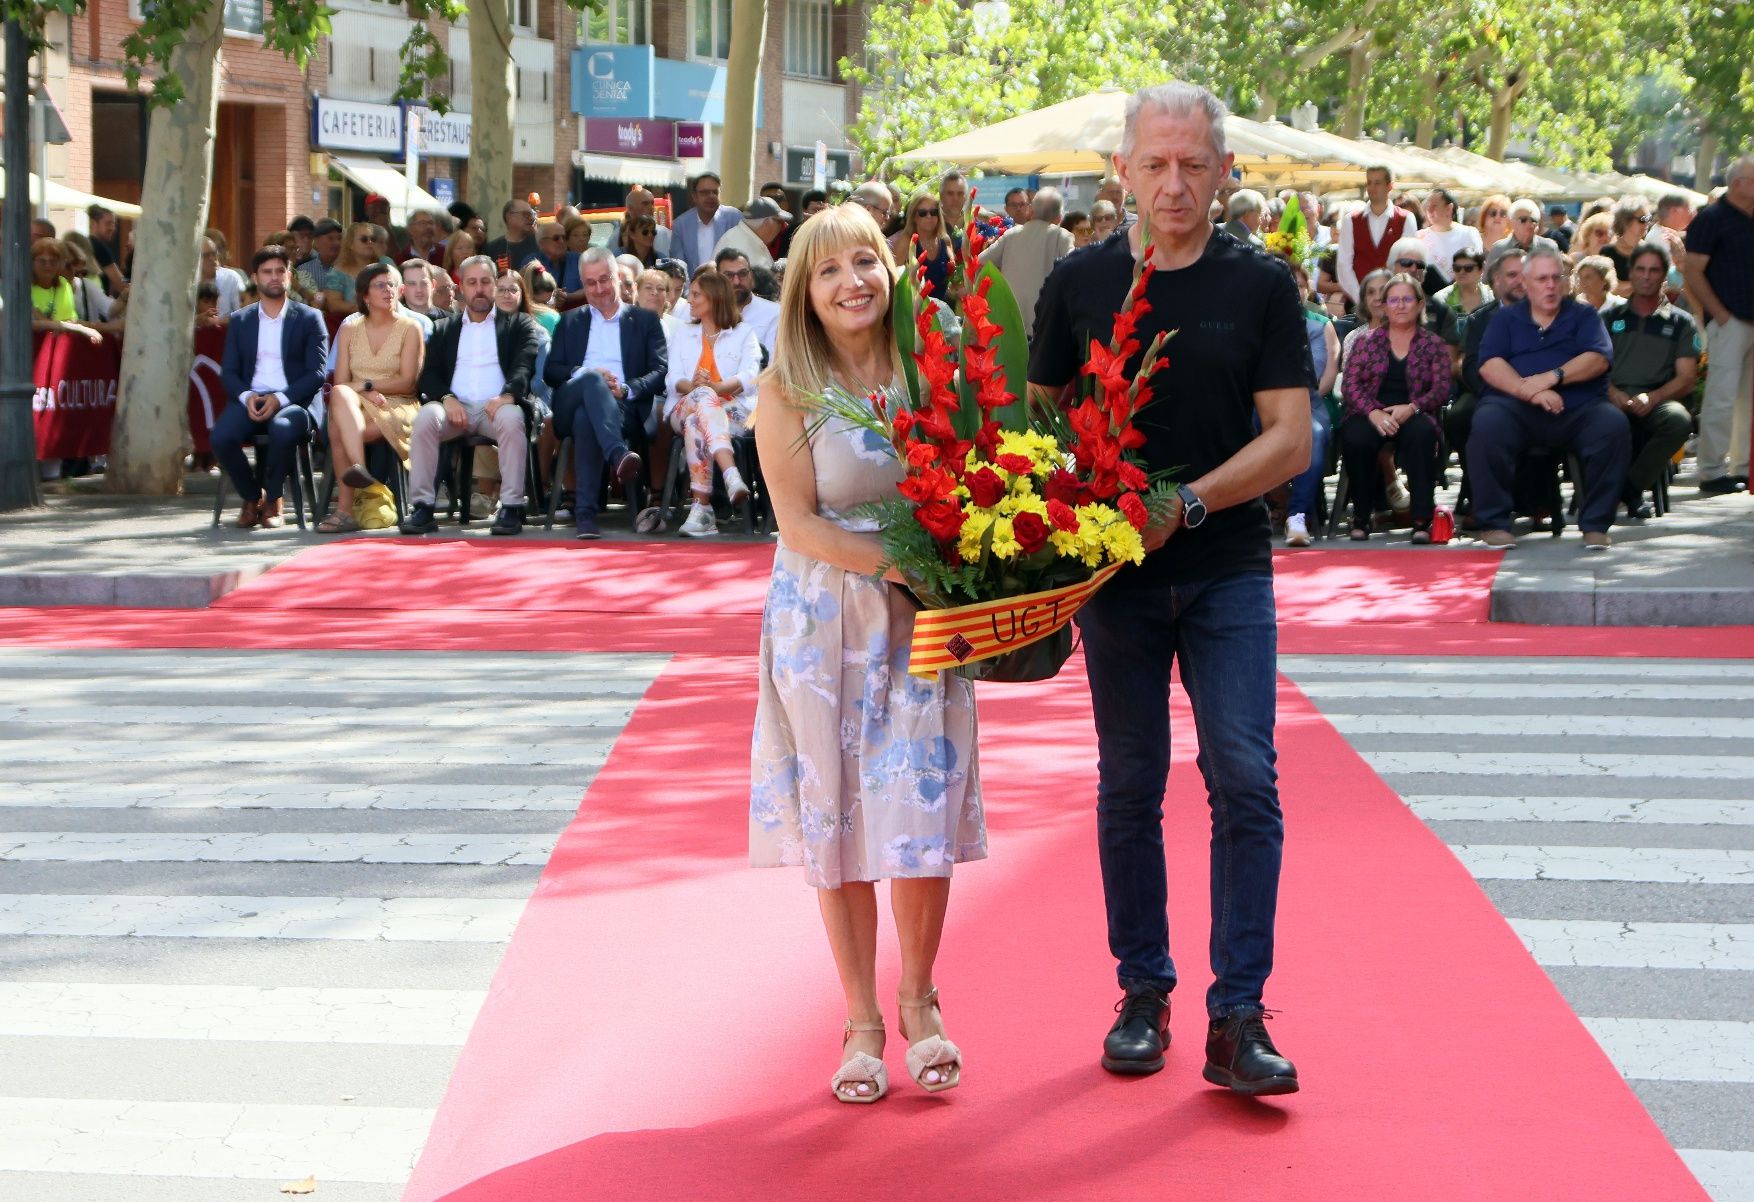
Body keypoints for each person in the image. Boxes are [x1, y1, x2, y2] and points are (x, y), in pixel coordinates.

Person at [1028, 81, 1308, 1095]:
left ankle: (1238, 1014)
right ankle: (1142, 992)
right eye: (1155, 164)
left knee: (1245, 777)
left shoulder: (1261, 283)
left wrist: (1184, 503)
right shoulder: (1079, 281)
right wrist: (1061, 519)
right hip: (1117, 578)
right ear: (1123, 171)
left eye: (1194, 163)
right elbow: (1038, 421)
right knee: (1129, 782)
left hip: (1226, 564)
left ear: (1223, 170)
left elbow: (1289, 438)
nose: (1175, 183)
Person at [750, 201, 981, 1106]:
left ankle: (920, 999)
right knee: (840, 819)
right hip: (825, 625)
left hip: (925, 618)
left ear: (890, 272)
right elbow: (798, 524)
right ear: (804, 293)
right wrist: (900, 565)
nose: (852, 282)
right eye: (829, 269)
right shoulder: (787, 389)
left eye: (865, 262)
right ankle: (860, 1021)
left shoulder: (930, 369)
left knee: (920, 809)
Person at [1469, 245, 1628, 550]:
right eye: (1542, 279)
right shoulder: (1505, 319)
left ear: (1566, 282)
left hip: (1577, 407)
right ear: (1526, 282)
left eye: (1557, 277)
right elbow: (1489, 365)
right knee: (1486, 424)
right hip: (1515, 407)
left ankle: (1596, 524)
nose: (1551, 285)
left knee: (1612, 425)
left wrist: (1551, 378)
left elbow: (1598, 358)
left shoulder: (1584, 315)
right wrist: (1529, 392)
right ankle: (1494, 523)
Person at [398, 255, 541, 537]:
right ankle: (423, 507)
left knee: (512, 418)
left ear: (495, 285)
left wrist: (508, 395)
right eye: (472, 283)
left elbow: (525, 365)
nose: (479, 289)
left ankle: (511, 507)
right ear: (461, 287)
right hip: (455, 408)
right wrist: (447, 398)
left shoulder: (518, 324)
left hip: (496, 407)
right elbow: (428, 374)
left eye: (485, 282)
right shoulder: (444, 328)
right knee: (425, 417)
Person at [542, 247, 664, 540]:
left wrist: (626, 389)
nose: (598, 289)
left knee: (587, 417)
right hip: (569, 402)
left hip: (623, 407)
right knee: (591, 382)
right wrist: (585, 374)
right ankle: (618, 453)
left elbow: (660, 371)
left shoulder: (645, 321)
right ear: (582, 285)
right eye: (590, 283)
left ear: (617, 278)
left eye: (604, 280)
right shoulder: (570, 321)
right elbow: (551, 371)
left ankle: (585, 515)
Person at [212, 247, 328, 529]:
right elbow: (229, 372)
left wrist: (281, 398)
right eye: (267, 272)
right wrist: (246, 396)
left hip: (295, 401)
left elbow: (316, 374)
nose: (274, 277)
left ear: (289, 275)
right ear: (255, 278)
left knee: (283, 428)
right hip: (251, 398)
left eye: (280, 271)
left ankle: (275, 498)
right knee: (221, 437)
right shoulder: (241, 320)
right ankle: (253, 496)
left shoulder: (310, 317)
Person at [1339, 273, 1451, 542]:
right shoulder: (1366, 342)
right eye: (1393, 300)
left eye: (1407, 299)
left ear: (1420, 304)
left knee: (1422, 434)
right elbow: (1350, 385)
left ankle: (1421, 520)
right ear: (1385, 306)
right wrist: (1373, 412)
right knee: (1356, 438)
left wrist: (1413, 407)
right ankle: (1362, 518)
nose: (1400, 306)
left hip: (1414, 412)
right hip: (1370, 413)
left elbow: (1442, 388)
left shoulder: (1433, 344)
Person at [318, 261, 425, 533]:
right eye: (380, 286)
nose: (388, 290)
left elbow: (408, 382)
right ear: (365, 295)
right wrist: (366, 391)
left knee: (338, 429)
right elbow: (340, 383)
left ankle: (344, 511)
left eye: (391, 285)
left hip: (398, 402)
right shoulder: (349, 329)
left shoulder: (410, 327)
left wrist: (367, 384)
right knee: (340, 395)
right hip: (357, 402)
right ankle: (359, 468)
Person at [1602, 242, 1699, 518]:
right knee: (1594, 419)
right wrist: (1612, 393)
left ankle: (1629, 489)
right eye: (1641, 269)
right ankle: (1607, 491)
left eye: (1654, 270)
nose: (1646, 276)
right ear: (1630, 273)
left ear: (1664, 275)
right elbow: (1593, 367)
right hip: (1612, 397)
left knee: (1679, 420)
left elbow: (1687, 378)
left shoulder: (1681, 322)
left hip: (1658, 399)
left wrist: (1653, 397)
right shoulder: (1608, 317)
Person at [662, 268, 760, 537]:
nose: (689, 300)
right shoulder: (683, 332)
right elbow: (673, 379)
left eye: (696, 295)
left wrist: (716, 388)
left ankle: (702, 508)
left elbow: (751, 377)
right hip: (685, 405)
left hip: (734, 411)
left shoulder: (744, 333)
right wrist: (696, 387)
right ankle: (730, 473)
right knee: (701, 400)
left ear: (714, 297)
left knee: (698, 421)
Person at [1684, 155, 1754, 494]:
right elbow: (1692, 270)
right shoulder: (1711, 219)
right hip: (1730, 320)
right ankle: (1712, 471)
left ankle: (1743, 466)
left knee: (1748, 399)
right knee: (1721, 396)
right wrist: (1719, 314)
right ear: (1738, 183)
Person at [1284, 257, 1340, 547]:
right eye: (1287, 284)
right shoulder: (1256, 323)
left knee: (1313, 435)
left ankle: (1296, 515)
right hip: (1263, 405)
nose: (1294, 290)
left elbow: (1324, 375)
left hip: (1309, 402)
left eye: (1300, 285)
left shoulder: (1319, 325)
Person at [983, 185, 1075, 338]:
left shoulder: (1010, 235)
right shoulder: (1062, 236)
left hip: (1010, 321)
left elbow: (979, 263)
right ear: (1059, 218)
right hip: (1047, 323)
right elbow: (1073, 270)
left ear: (1031, 210)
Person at [1338, 165, 1418, 302]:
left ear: (1390, 186)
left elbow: (1407, 264)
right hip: (1358, 302)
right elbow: (1343, 265)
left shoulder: (1406, 219)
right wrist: (1362, 299)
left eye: (1377, 183)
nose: (1371, 188)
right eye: (1369, 182)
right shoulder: (1350, 220)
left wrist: (1393, 297)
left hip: (1394, 302)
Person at [29, 239, 104, 345]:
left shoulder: (63, 284)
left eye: (53, 261)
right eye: (42, 261)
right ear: (32, 263)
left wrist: (42, 319)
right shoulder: (23, 287)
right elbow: (30, 324)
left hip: (54, 345)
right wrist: (79, 328)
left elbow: (65, 321)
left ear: (60, 263)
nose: (47, 265)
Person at [888, 191, 956, 301]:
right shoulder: (907, 242)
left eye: (933, 212)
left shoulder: (945, 240)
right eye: (922, 213)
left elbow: (953, 278)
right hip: (915, 308)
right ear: (914, 217)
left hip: (942, 307)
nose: (929, 216)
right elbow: (894, 280)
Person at [672, 172, 742, 276]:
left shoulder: (734, 218)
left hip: (726, 283)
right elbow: (678, 265)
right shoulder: (681, 225)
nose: (711, 196)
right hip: (695, 283)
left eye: (715, 192)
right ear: (694, 196)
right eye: (705, 192)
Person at [715, 248, 779, 360]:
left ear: (751, 277)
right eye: (729, 275)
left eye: (743, 274)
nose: (736, 281)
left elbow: (773, 362)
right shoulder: (706, 313)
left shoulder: (775, 313)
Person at [1417, 187, 1482, 282]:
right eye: (1428, 206)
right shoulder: (1419, 236)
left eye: (1434, 206)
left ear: (1449, 208)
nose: (1430, 210)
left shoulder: (1468, 233)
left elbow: (1476, 267)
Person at [714, 197, 791, 273]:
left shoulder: (742, 236)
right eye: (779, 222)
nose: (782, 226)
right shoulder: (742, 247)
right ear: (766, 223)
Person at [1601, 197, 1653, 294]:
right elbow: (1608, 286)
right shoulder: (1607, 252)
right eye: (1642, 219)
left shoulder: (1651, 251)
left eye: (1648, 218)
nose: (1646, 223)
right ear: (1626, 221)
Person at [480, 198, 542, 272]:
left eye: (532, 214)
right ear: (509, 216)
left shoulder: (540, 245)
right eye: (526, 214)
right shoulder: (491, 249)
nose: (531, 218)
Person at [1489, 199, 1561, 261]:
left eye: (1533, 220)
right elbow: (1490, 273)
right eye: (1523, 220)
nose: (1529, 224)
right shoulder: (1498, 249)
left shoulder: (1549, 248)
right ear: (1512, 222)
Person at [1433, 249, 1492, 316]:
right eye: (1457, 268)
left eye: (1468, 268)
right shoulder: (1441, 299)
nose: (1461, 272)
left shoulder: (1493, 297)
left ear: (1481, 270)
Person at [86, 204, 127, 296]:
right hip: (99, 302)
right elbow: (121, 283)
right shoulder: (98, 247)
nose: (112, 228)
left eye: (114, 224)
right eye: (108, 223)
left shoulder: (87, 244)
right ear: (93, 223)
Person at [200, 237, 247, 318]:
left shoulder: (231, 278)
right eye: (206, 255)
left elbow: (243, 316)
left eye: (214, 254)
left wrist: (219, 322)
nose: (212, 258)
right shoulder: (186, 283)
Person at [399, 259, 447, 323]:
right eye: (412, 284)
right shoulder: (391, 323)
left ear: (433, 285)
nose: (419, 290)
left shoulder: (452, 322)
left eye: (424, 283)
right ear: (402, 288)